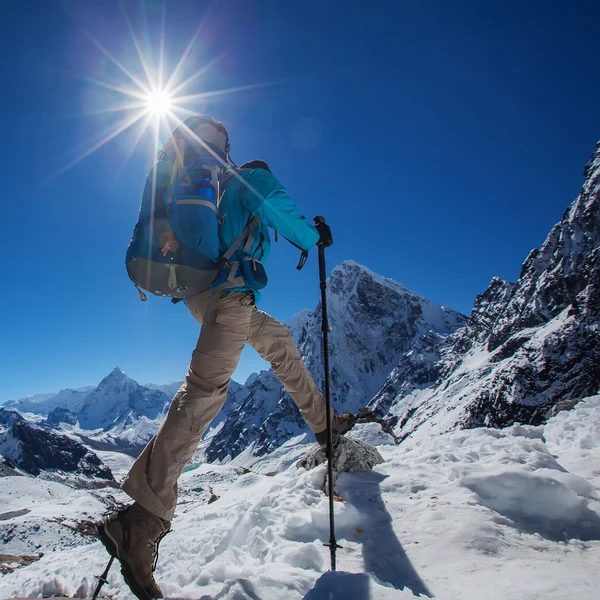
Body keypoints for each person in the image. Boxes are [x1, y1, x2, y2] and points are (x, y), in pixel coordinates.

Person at [97, 117, 354, 600]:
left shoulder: (209, 185)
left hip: (210, 297)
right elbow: (280, 210)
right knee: (204, 395)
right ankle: (141, 523)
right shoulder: (251, 178)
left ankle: (324, 425)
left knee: (280, 345)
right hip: (230, 296)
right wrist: (315, 237)